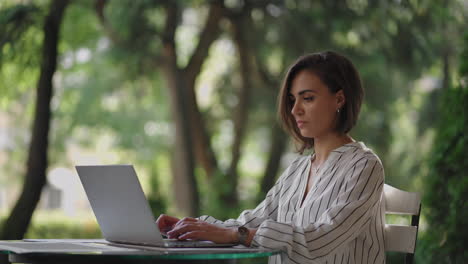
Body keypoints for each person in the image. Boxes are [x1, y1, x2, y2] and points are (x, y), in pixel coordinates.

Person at [157, 51, 385, 264]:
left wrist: (236, 234)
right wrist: (192, 226)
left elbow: (319, 240)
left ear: (339, 99)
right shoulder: (298, 170)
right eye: (292, 100)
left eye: (307, 98)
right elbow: (251, 223)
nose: (295, 110)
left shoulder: (364, 166)